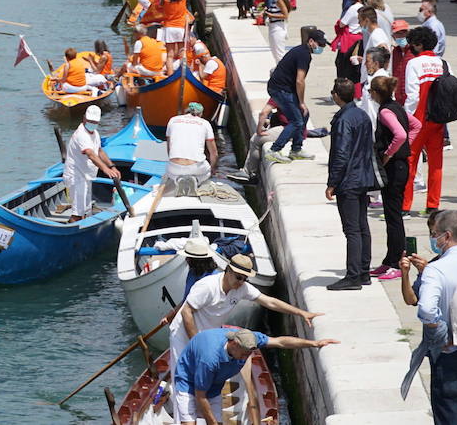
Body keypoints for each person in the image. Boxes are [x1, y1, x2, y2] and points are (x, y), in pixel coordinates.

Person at [167, 251, 322, 364]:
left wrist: (301, 313)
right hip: (183, 334)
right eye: (238, 277)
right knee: (183, 371)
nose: (241, 282)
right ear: (228, 271)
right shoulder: (207, 286)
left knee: (203, 370)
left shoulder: (243, 288)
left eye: (244, 278)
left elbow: (270, 302)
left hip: (208, 335)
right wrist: (197, 341)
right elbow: (187, 311)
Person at [172, 328, 336, 425]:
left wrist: (313, 343)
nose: (245, 358)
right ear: (234, 344)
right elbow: (200, 396)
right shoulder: (209, 360)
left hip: (215, 384)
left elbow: (280, 342)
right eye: (243, 355)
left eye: (248, 355)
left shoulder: (251, 339)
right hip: (188, 381)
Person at [412, 210, 457, 422]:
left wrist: (438, 333)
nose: (433, 239)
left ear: (447, 236)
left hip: (451, 356)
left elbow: (426, 309)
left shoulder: (436, 269)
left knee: (449, 414)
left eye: (434, 234)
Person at [325, 77, 379, 290]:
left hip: (349, 180)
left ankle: (354, 275)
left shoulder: (344, 120)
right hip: (363, 178)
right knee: (362, 226)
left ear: (336, 95)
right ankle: (364, 272)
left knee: (352, 230)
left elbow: (341, 153)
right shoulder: (362, 115)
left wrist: (332, 182)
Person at [140, 103, 217, 232]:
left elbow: (169, 149)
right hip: (197, 167)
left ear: (186, 111)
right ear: (200, 114)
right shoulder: (205, 123)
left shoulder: (173, 120)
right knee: (208, 169)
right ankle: (197, 180)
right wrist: (212, 169)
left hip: (174, 168)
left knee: (172, 169)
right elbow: (214, 153)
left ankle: (177, 179)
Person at [369, 75, 414, 281]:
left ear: (377, 93)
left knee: (394, 217)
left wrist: (389, 154)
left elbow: (401, 135)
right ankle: (389, 259)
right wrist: (405, 149)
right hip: (401, 166)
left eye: (371, 92)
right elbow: (416, 125)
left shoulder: (386, 111)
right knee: (390, 215)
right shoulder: (397, 107)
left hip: (394, 169)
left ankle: (397, 262)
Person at [266, 27, 328, 163]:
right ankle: (274, 150)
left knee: (304, 114)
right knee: (296, 121)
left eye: (323, 45)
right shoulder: (304, 55)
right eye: (320, 44)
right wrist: (301, 102)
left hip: (284, 88)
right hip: (279, 89)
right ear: (311, 41)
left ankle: (296, 149)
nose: (321, 48)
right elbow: (300, 81)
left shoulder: (302, 51)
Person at [403, 26, 445, 215]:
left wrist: (406, 119)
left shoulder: (414, 64)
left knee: (409, 163)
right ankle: (433, 205)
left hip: (418, 121)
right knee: (436, 164)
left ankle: (405, 206)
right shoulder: (443, 63)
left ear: (418, 45)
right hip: (438, 120)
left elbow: (412, 97)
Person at [64, 105, 121, 222]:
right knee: (77, 213)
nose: (92, 123)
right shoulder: (81, 134)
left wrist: (112, 166)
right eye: (90, 121)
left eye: (94, 122)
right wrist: (106, 170)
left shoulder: (94, 133)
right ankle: (72, 231)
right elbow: (90, 154)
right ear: (84, 118)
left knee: (86, 210)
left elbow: (99, 151)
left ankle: (85, 225)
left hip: (87, 176)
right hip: (76, 176)